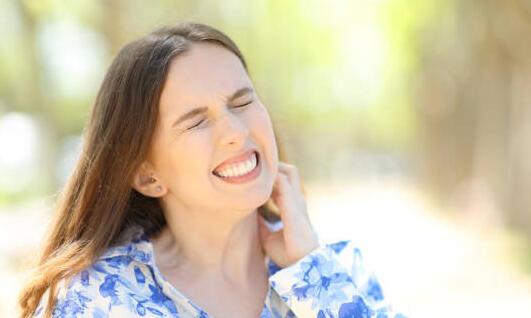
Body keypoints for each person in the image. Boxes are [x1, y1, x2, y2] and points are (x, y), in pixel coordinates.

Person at [18, 22, 407, 318]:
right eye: (195, 122)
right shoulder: (101, 298)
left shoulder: (337, 268)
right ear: (147, 176)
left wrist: (311, 272)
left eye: (241, 103)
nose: (236, 133)